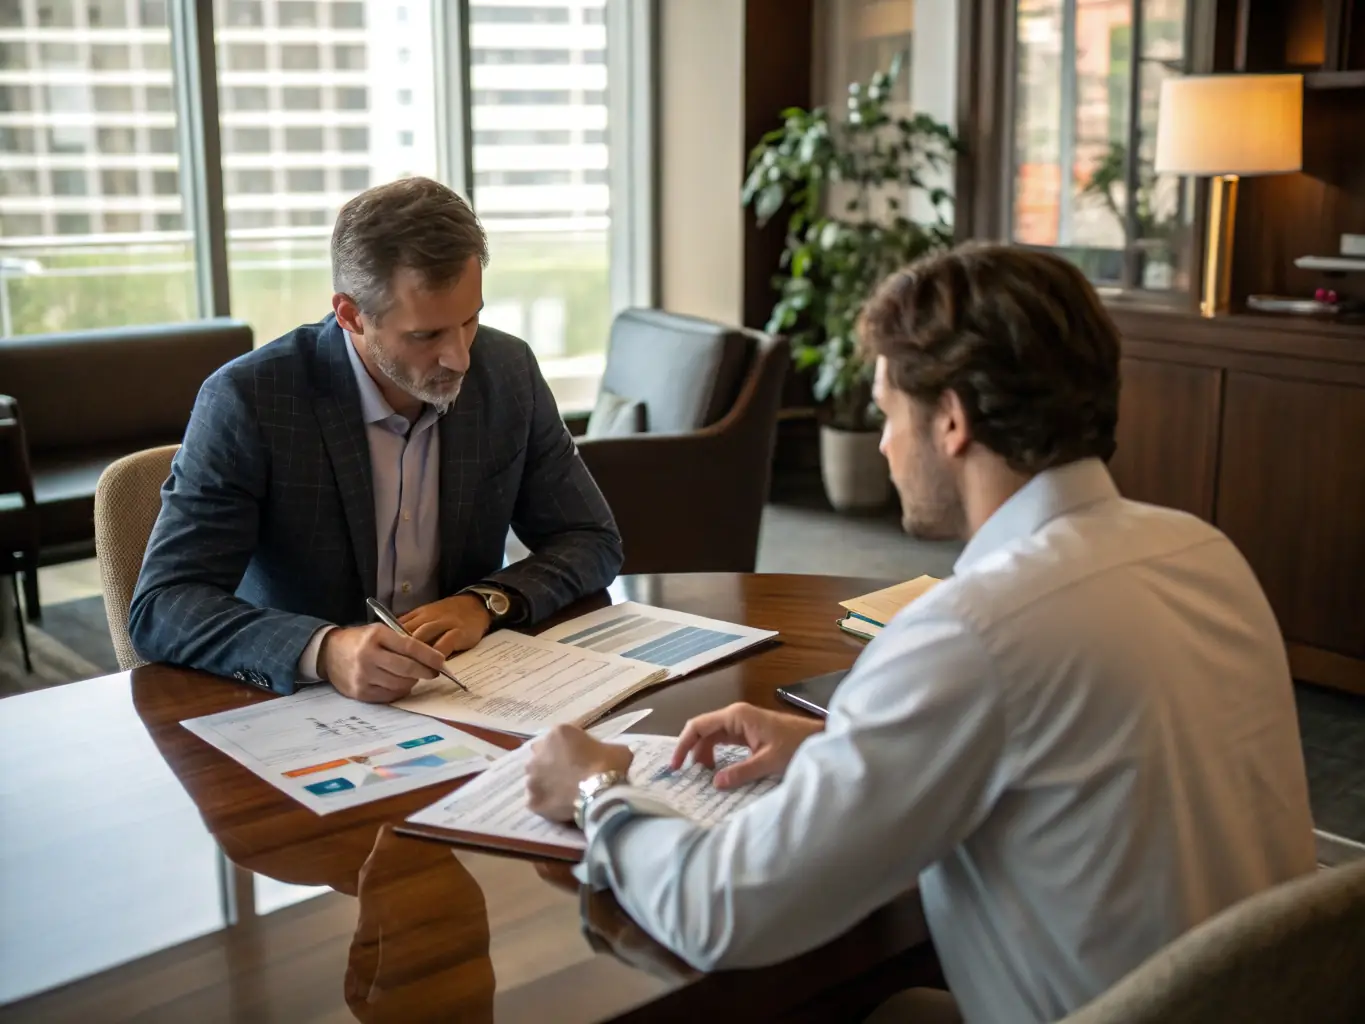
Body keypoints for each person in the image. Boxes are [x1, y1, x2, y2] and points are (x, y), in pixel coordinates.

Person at [523, 244, 1317, 1023]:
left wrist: (599, 793)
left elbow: (724, 911)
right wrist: (833, 753)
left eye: (885, 412)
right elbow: (1095, 761)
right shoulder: (1201, 552)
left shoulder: (973, 629)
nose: (881, 443)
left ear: (950, 420)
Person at [130, 177, 622, 701]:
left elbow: (592, 539)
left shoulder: (508, 372)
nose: (459, 357)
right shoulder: (251, 400)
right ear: (350, 315)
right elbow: (164, 604)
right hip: (304, 709)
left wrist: (485, 602)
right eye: (426, 335)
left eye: (470, 319)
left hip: (465, 692)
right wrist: (324, 649)